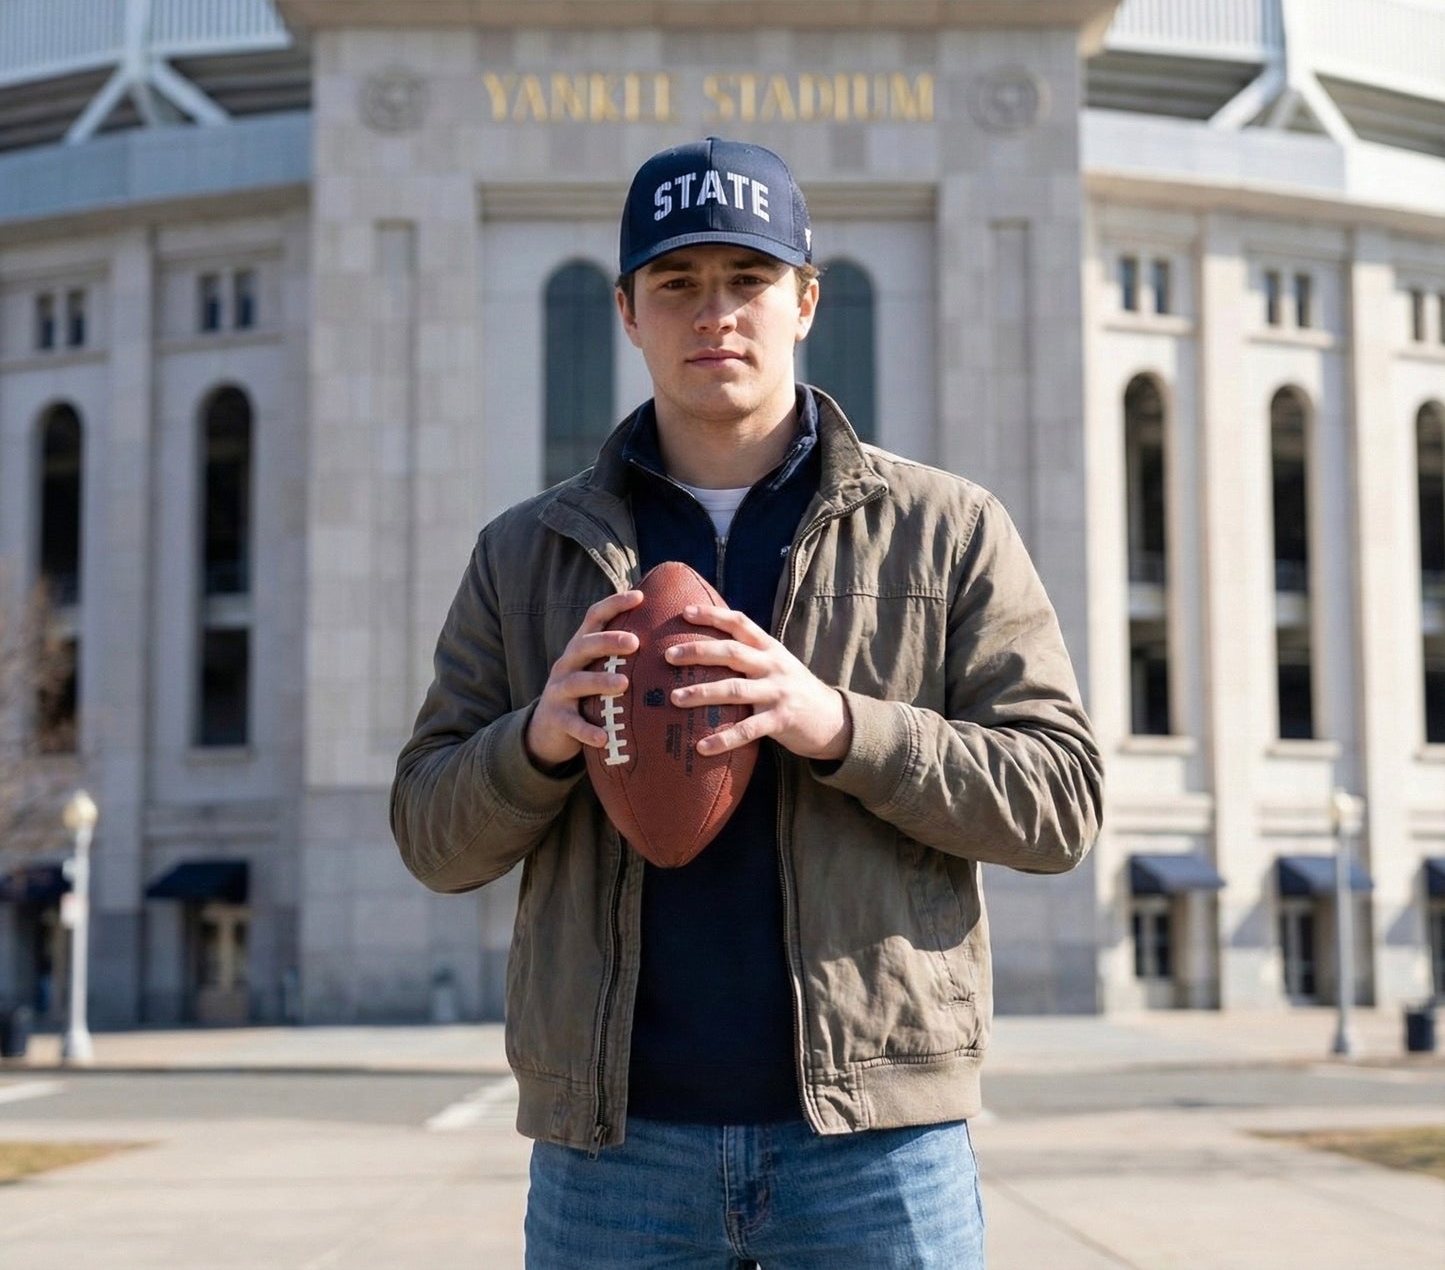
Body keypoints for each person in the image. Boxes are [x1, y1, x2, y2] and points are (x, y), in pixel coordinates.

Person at [391, 136, 1102, 1269]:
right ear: (626, 311)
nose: (712, 311)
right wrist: (533, 741)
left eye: (747, 278)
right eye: (675, 282)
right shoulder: (525, 554)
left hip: (875, 1140)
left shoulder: (947, 525)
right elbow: (429, 831)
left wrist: (839, 726)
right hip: (612, 1148)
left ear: (805, 299)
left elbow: (1059, 804)